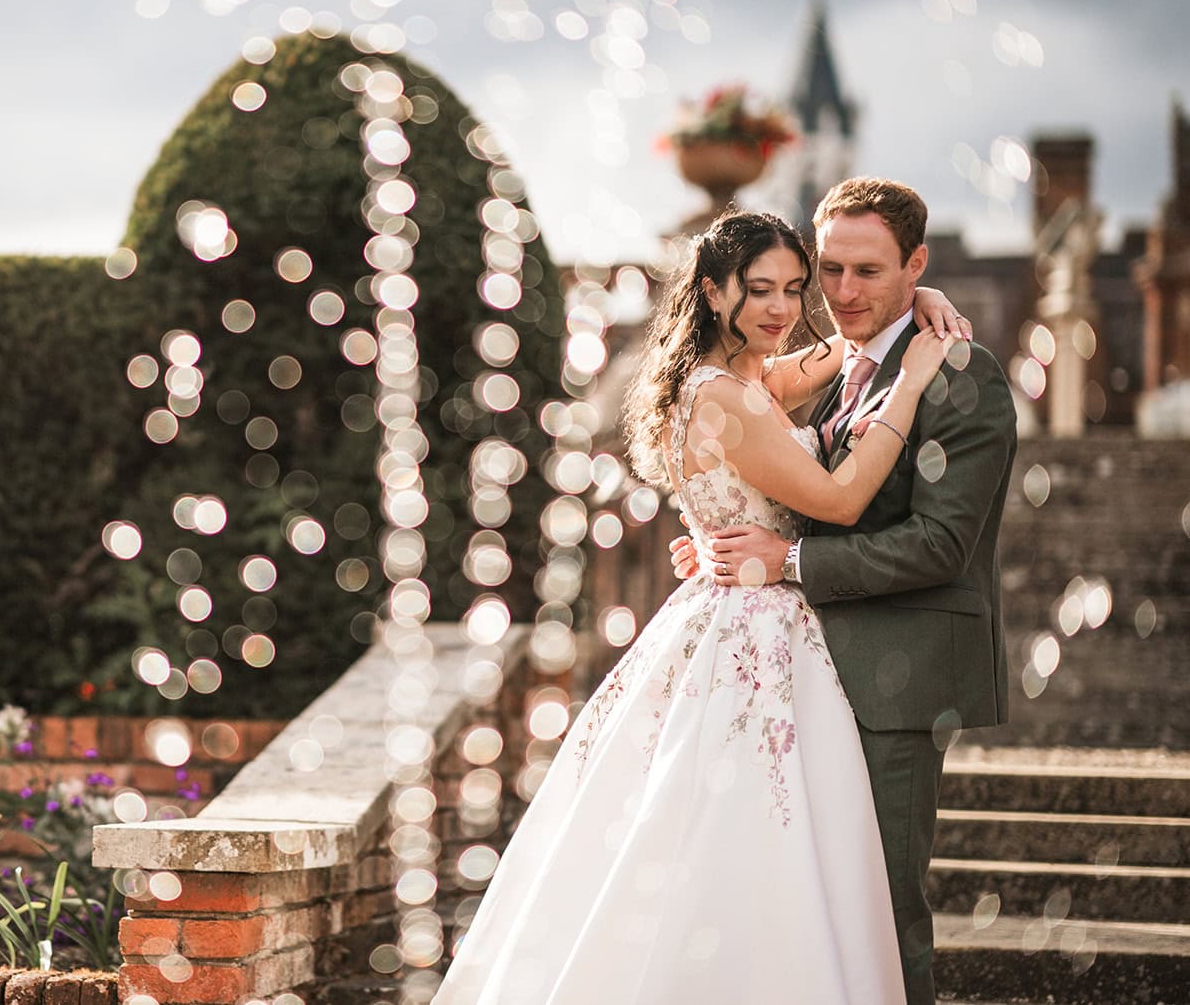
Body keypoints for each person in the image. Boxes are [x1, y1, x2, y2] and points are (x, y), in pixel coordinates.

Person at [431, 208, 967, 1004]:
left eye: (794, 288)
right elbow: (842, 498)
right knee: (746, 839)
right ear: (715, 291)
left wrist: (907, 305)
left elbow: (822, 364)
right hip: (758, 636)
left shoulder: (732, 381)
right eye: (758, 291)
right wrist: (915, 378)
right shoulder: (730, 398)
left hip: (725, 611)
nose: (782, 309)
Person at [670, 178, 1018, 1005]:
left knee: (884, 913)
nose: (841, 292)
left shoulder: (959, 375)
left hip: (901, 677)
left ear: (916, 264)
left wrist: (784, 559)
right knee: (803, 906)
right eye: (829, 270)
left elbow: (940, 543)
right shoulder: (838, 367)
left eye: (871, 271)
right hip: (806, 675)